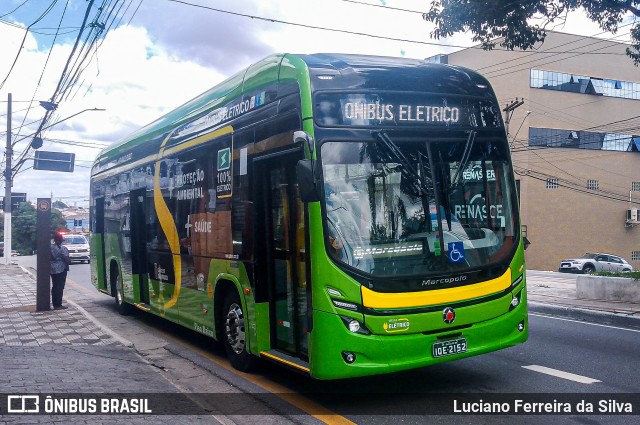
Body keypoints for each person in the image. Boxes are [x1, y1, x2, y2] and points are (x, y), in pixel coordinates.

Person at [50, 233, 71, 310]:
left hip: (52, 269)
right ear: (60, 240)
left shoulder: (50, 248)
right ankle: (58, 304)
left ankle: (55, 303)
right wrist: (68, 261)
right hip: (61, 269)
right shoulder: (63, 248)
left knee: (54, 286)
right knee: (60, 287)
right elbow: (66, 259)